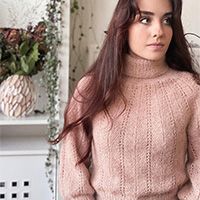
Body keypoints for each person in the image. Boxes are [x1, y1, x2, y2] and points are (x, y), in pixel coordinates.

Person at [55, 0, 200, 199]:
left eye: (167, 20)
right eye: (145, 19)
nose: (159, 31)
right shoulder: (93, 87)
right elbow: (73, 170)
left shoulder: (190, 89)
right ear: (123, 25)